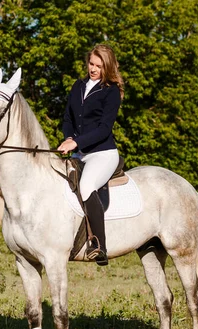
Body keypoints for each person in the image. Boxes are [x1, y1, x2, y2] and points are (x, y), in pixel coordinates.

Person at [58, 44, 124, 266]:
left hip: (103, 153)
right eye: (91, 64)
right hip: (80, 153)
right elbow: (67, 118)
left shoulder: (111, 91)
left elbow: (104, 129)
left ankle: (99, 245)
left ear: (107, 67)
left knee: (86, 186)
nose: (93, 69)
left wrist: (76, 142)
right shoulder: (78, 86)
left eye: (98, 66)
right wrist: (69, 138)